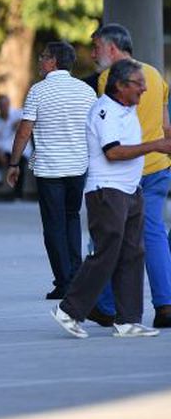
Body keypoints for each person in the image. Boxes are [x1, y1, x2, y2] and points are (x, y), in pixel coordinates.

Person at [52, 58, 166, 339]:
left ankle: (128, 320)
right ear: (120, 85)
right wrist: (156, 146)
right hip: (107, 192)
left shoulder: (127, 110)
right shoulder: (105, 111)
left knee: (132, 254)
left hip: (130, 191)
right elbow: (112, 152)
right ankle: (68, 310)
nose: (144, 90)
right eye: (138, 84)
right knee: (106, 254)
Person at [89, 23, 171, 328]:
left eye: (97, 47)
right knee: (153, 234)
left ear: (112, 48)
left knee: (111, 237)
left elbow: (112, 125)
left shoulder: (109, 78)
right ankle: (165, 305)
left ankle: (106, 306)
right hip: (159, 167)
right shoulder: (156, 75)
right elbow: (165, 127)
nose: (94, 54)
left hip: (126, 172)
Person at [7, 41, 97, 299]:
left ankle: (64, 281)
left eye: (43, 56)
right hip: (78, 167)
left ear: (54, 62)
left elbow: (25, 129)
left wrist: (14, 164)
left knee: (53, 224)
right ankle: (75, 275)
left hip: (50, 169)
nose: (39, 60)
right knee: (71, 218)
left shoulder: (38, 90)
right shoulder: (86, 91)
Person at [0, 94, 27, 198]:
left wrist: (20, 124)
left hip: (18, 151)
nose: (4, 107)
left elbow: (27, 124)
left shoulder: (18, 114)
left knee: (20, 162)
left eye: (6, 104)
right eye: (2, 105)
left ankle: (18, 193)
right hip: (3, 151)